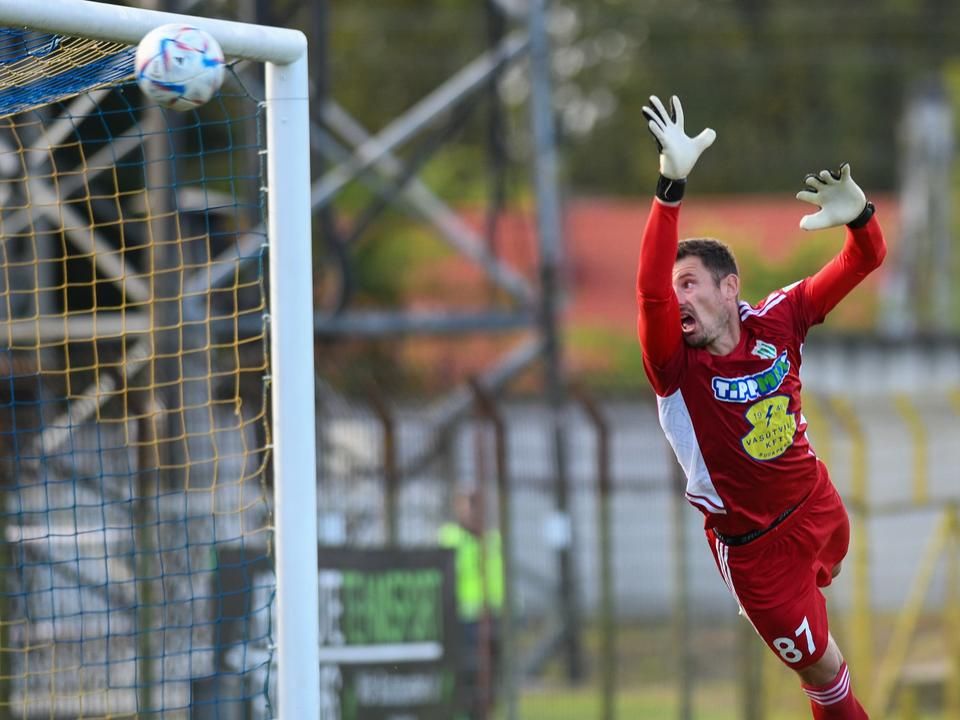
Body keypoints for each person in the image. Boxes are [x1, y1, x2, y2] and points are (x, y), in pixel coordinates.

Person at [635, 94, 886, 720]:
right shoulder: (676, 365)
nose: (677, 297)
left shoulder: (780, 318)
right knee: (826, 673)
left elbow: (867, 259)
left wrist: (862, 217)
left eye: (688, 282)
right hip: (756, 553)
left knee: (825, 660)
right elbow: (647, 294)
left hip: (821, 508)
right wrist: (671, 187)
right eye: (674, 290)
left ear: (729, 286)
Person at [438, 489, 504, 720]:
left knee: (490, 675)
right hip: (463, 618)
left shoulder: (493, 539)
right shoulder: (450, 537)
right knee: (467, 673)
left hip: (492, 617)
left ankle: (483, 712)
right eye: (468, 505)